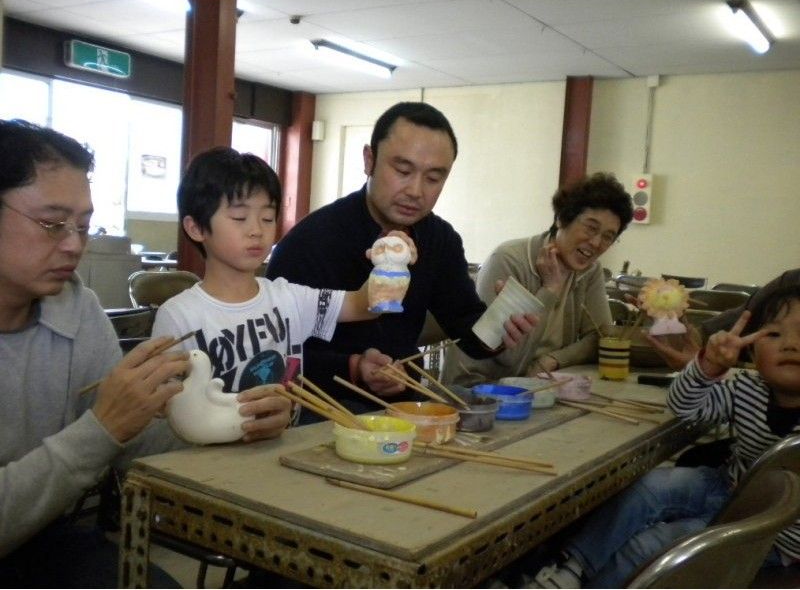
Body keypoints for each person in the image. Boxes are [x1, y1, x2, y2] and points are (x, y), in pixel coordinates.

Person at [0, 121, 304, 587]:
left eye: (83, 226)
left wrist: (234, 420)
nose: (74, 245)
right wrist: (102, 428)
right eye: (51, 224)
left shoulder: (76, 308)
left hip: (45, 537)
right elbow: (104, 433)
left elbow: (135, 446)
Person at [266, 101, 537, 421]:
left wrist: (499, 325)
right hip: (319, 412)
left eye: (434, 178)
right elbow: (275, 356)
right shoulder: (310, 241)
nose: (416, 191)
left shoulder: (440, 240)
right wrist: (353, 367)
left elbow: (467, 330)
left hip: (404, 410)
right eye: (403, 171)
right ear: (370, 160)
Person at [530, 282, 800, 588]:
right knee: (649, 486)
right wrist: (707, 367)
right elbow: (685, 406)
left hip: (773, 529)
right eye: (773, 334)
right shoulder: (747, 388)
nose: (791, 344)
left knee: (652, 545)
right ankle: (572, 569)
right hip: (727, 486)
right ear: (750, 349)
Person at [151, 147, 416, 417]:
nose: (257, 230)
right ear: (195, 227)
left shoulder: (288, 298)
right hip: (210, 457)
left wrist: (392, 262)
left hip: (281, 447)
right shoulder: (178, 315)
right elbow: (163, 409)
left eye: (267, 218)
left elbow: (365, 305)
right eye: (239, 218)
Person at [441, 172, 633, 386]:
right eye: (591, 227)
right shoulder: (509, 260)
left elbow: (600, 337)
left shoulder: (590, 271)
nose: (596, 242)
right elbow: (506, 356)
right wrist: (549, 290)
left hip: (537, 389)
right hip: (476, 390)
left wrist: (552, 360)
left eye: (608, 236)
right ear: (561, 218)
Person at [645, 268, 800, 371]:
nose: (790, 344)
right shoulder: (790, 283)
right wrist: (701, 369)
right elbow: (701, 340)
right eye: (774, 334)